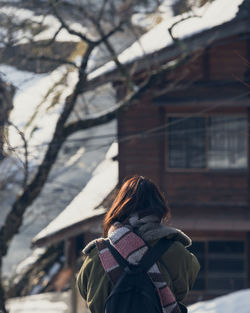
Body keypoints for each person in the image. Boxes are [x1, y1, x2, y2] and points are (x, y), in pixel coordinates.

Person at [77, 175, 200, 313]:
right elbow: (183, 289)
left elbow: (84, 290)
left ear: (119, 208)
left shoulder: (97, 254)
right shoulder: (177, 252)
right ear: (159, 208)